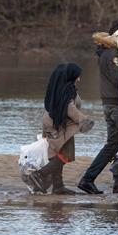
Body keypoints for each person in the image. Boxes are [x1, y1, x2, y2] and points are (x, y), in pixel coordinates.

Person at [77, 19, 118, 195]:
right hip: (117, 104)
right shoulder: (113, 53)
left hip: (110, 103)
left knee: (113, 145)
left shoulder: (106, 53)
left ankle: (88, 179)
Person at [30, 63, 94, 195]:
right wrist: (84, 120)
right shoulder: (68, 90)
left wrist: (44, 131)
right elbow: (69, 108)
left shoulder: (55, 88)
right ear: (71, 76)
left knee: (55, 155)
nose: (79, 79)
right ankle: (39, 174)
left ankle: (58, 186)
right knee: (65, 155)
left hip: (50, 123)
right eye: (77, 76)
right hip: (61, 126)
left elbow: (48, 108)